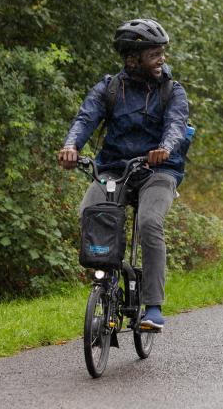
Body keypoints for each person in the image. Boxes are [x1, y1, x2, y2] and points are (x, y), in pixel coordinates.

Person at [57, 18, 189, 331]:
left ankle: (153, 306)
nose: (162, 59)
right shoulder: (110, 88)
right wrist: (70, 146)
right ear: (133, 59)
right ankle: (108, 282)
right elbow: (85, 119)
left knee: (149, 222)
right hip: (115, 168)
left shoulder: (173, 90)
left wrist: (165, 148)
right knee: (90, 212)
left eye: (162, 53)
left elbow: (176, 126)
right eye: (154, 54)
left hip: (158, 169)